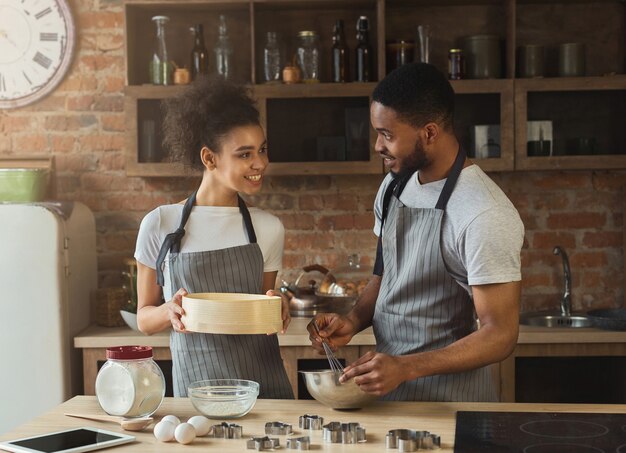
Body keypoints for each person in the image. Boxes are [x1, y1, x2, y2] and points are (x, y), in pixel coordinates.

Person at [308, 63, 524, 402]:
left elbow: (500, 335)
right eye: (377, 132)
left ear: (430, 133)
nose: (378, 145)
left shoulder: (483, 212)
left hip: (454, 404)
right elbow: (385, 273)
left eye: (388, 135)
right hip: (388, 396)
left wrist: (406, 367)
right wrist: (353, 319)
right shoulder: (395, 185)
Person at [134, 76, 293, 399]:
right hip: (198, 392)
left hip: (265, 390)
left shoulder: (268, 228)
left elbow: (265, 304)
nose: (260, 163)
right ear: (210, 158)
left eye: (262, 150)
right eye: (244, 154)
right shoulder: (161, 224)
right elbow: (144, 319)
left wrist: (280, 305)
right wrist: (169, 311)